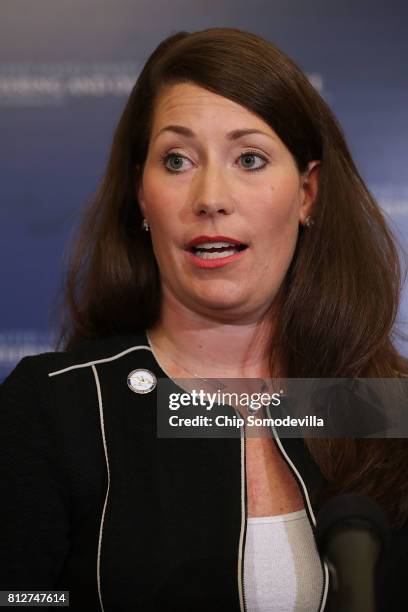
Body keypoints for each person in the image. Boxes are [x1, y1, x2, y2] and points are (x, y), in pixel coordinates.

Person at [1, 27, 408, 612]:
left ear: (308, 194)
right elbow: (19, 598)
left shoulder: (384, 407)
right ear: (143, 196)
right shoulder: (54, 409)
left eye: (249, 158)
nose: (210, 196)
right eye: (177, 160)